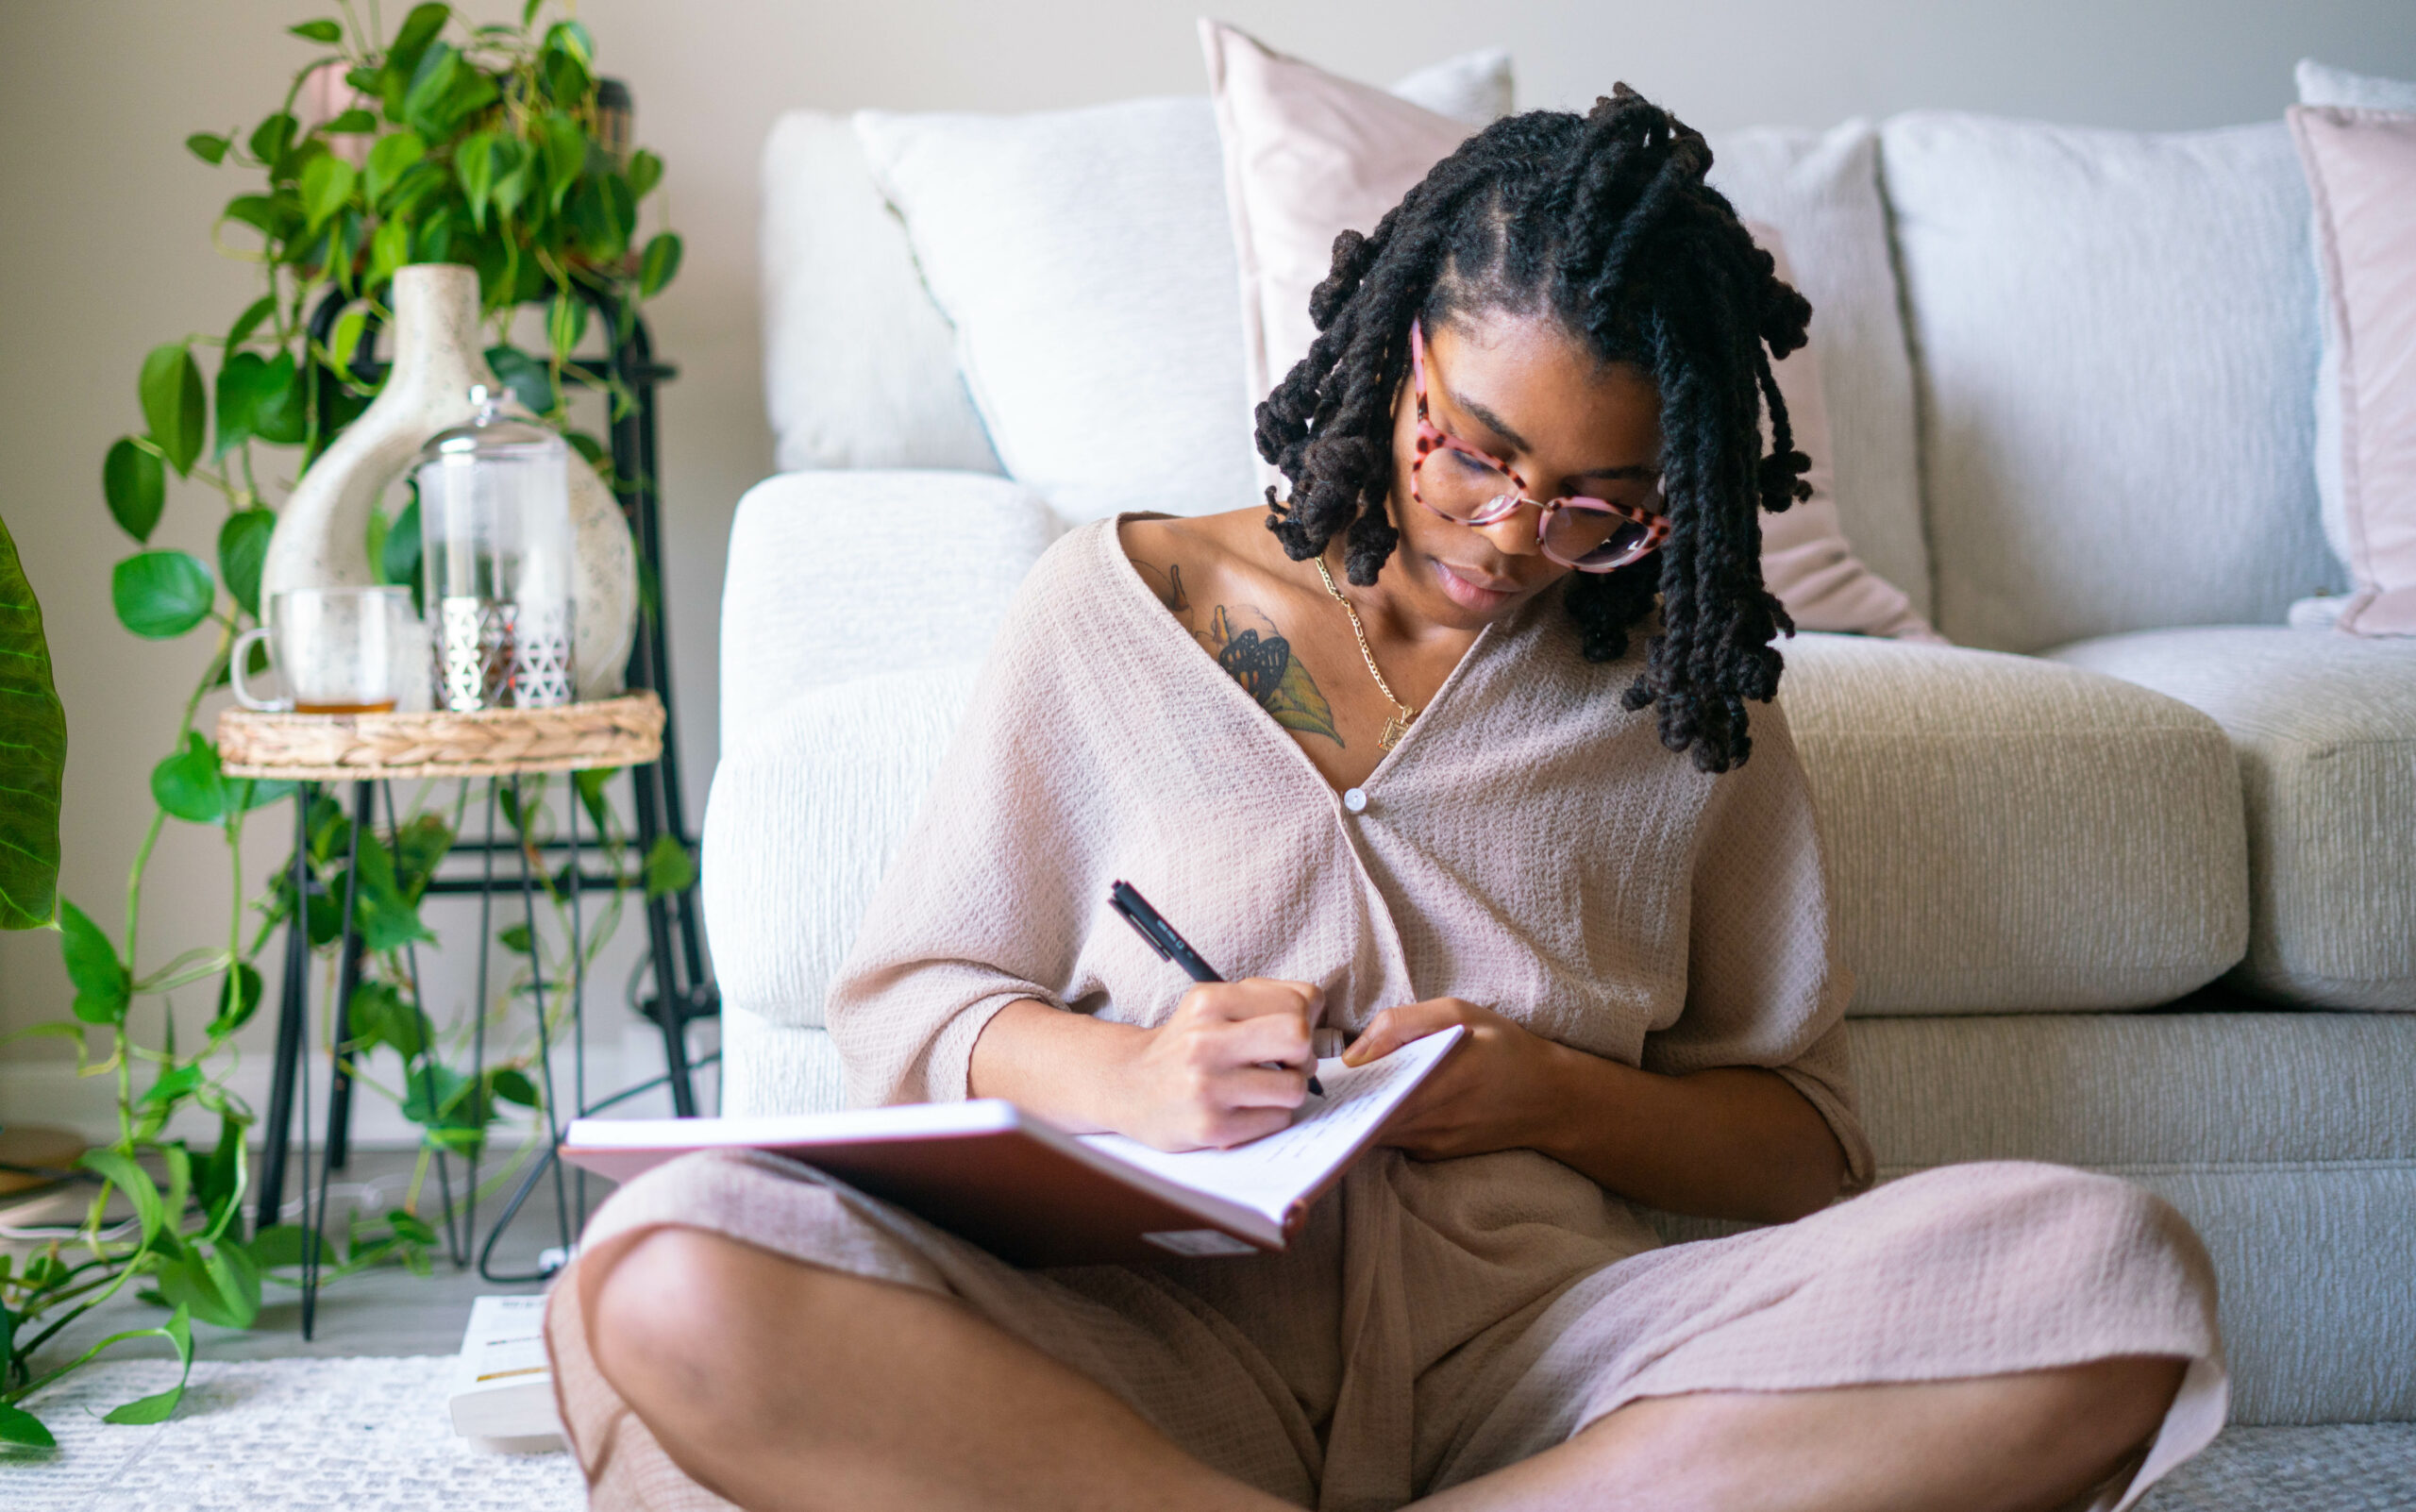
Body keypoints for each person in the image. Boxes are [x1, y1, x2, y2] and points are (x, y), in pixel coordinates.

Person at [545, 88, 2224, 1512]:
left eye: (1597, 510)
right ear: (1402, 351)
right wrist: (1135, 1073)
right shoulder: (1116, 611)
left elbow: (1805, 1142)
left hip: (1550, 1372)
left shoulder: (1680, 696)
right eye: (1475, 449)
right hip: (1152, 1349)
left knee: (2114, 1282)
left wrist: (1544, 1095)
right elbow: (913, 1006)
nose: (1511, 536)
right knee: (666, 1270)